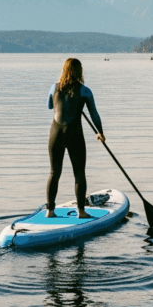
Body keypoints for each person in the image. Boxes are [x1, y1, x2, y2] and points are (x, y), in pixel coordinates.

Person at [46, 58, 105, 219]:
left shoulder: (53, 87)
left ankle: (50, 211)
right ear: (80, 72)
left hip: (55, 135)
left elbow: (49, 106)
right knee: (79, 173)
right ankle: (81, 211)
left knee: (54, 173)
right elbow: (94, 115)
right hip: (75, 135)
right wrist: (100, 132)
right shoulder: (85, 91)